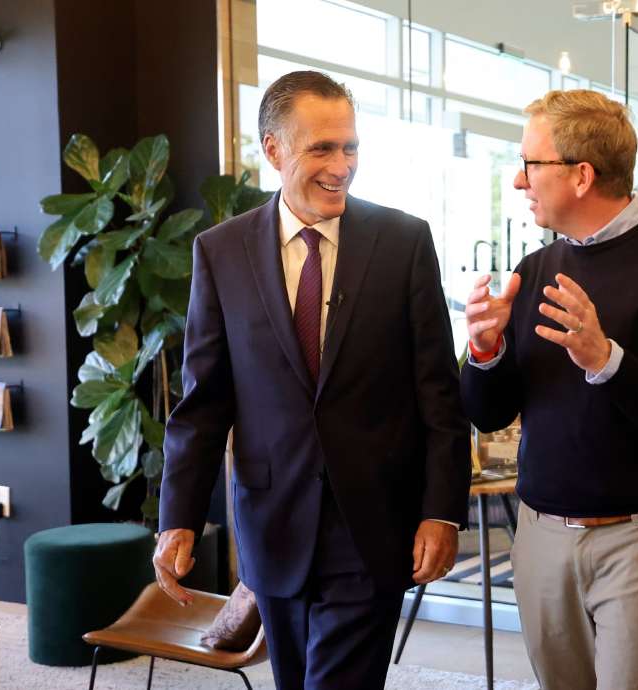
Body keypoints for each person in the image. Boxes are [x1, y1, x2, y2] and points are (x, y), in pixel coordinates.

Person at [154, 71, 470, 690]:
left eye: (349, 147)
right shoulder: (222, 251)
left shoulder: (403, 241)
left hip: (374, 525)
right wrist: (178, 518)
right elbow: (204, 401)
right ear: (273, 150)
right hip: (273, 524)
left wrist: (442, 511)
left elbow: (438, 390)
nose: (341, 166)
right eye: (321, 148)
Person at [461, 89, 638, 690]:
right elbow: (490, 413)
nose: (519, 181)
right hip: (540, 536)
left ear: (581, 175)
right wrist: (484, 350)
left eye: (531, 164)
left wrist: (606, 359)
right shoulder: (532, 270)